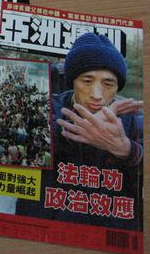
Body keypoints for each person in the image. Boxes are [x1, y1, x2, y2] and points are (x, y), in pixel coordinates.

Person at [17, 33, 143, 228]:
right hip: (45, 223)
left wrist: (128, 151)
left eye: (108, 84)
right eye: (87, 81)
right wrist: (79, 128)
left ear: (118, 86)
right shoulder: (45, 106)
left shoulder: (132, 118)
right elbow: (22, 147)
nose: (97, 95)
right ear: (72, 81)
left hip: (108, 226)